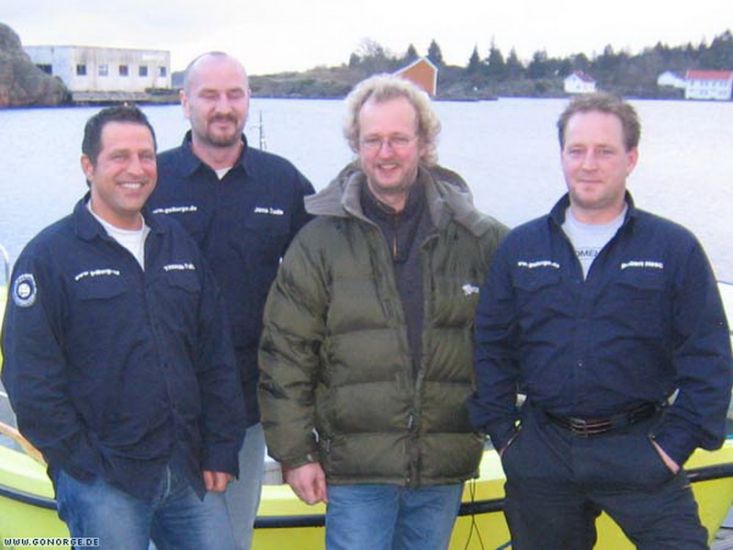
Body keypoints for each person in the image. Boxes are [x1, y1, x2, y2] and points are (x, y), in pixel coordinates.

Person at [468, 92, 733, 549]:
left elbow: (709, 358)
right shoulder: (522, 248)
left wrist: (672, 449)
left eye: (604, 151)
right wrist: (506, 437)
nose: (588, 164)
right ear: (562, 156)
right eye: (577, 150)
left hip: (640, 446)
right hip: (544, 451)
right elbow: (491, 347)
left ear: (631, 158)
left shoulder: (673, 248)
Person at [257, 74, 508, 550]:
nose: (385, 153)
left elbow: (526, 334)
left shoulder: (478, 238)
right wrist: (296, 453)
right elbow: (285, 353)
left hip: (441, 465)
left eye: (399, 139)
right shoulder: (320, 241)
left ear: (424, 143)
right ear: (356, 145)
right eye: (373, 140)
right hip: (356, 471)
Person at [1, 105, 246, 549]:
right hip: (104, 479)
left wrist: (219, 447)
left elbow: (215, 355)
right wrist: (80, 464)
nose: (136, 169)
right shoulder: (49, 256)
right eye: (119, 156)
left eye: (146, 156)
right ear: (88, 166)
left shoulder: (177, 244)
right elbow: (29, 376)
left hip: (187, 469)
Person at [146, 51, 315, 549]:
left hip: (245, 404)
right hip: (158, 404)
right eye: (209, 95)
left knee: (230, 539)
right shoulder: (150, 179)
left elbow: (326, 273)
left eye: (234, 94)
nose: (223, 107)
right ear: (185, 103)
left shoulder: (282, 182)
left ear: (248, 100)